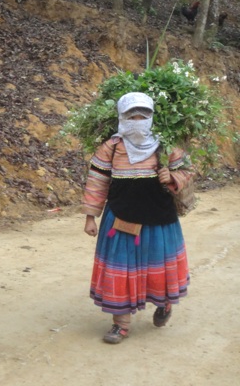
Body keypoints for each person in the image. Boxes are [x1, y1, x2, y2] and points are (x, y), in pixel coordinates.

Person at [81, 91, 192, 344]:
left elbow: (187, 168)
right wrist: (90, 217)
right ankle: (120, 325)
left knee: (158, 265)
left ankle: (164, 304)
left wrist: (172, 177)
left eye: (144, 115)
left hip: (159, 219)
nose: (138, 120)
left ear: (152, 117)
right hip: (121, 218)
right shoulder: (112, 147)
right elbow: (97, 181)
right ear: (121, 117)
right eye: (132, 115)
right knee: (121, 267)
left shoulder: (165, 145)